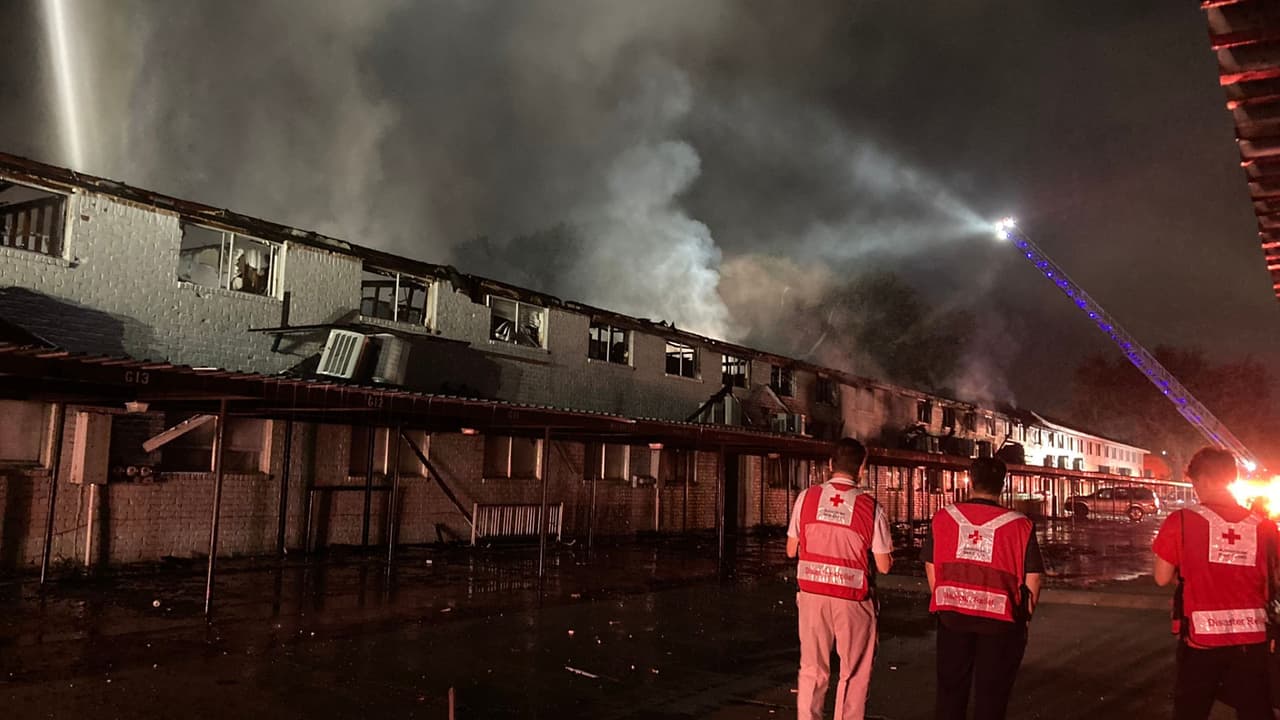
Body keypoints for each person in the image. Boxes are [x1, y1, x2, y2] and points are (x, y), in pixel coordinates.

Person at [1153, 447, 1278, 720]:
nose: (1195, 490)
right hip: (1252, 636)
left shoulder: (1182, 521)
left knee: (1191, 710)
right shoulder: (1264, 526)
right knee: (1255, 709)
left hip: (1201, 640)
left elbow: (1162, 577)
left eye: (1195, 483)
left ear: (1205, 480)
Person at [923, 457, 1043, 720]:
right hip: (1000, 621)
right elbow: (1033, 576)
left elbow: (931, 566)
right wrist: (1025, 614)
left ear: (971, 480)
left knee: (950, 692)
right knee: (992, 696)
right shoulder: (1020, 524)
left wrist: (944, 600)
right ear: (1003, 484)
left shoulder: (944, 517)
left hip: (952, 615)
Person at [787, 437, 894, 720]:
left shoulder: (806, 497)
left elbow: (790, 550)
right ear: (862, 469)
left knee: (812, 667)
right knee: (854, 672)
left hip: (812, 596)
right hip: (853, 600)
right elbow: (884, 566)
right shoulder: (870, 507)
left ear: (830, 465)